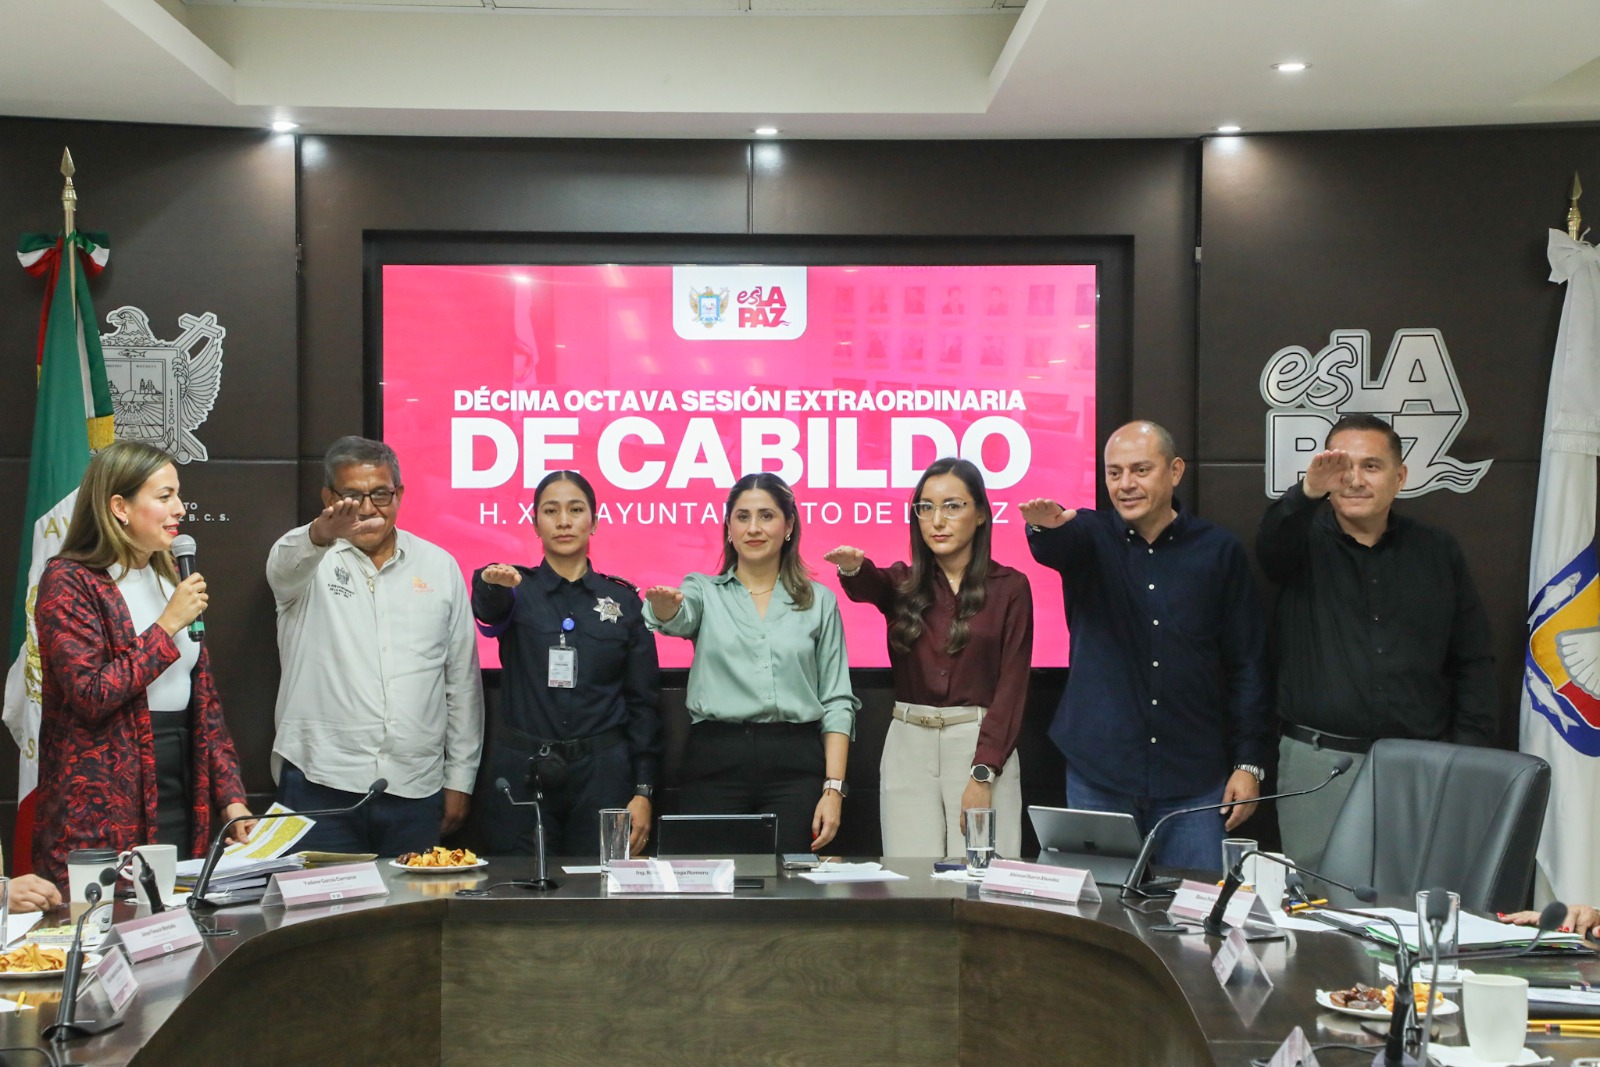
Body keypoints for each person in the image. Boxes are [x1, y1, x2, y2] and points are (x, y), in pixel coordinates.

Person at [1021, 420, 1272, 870]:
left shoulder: (1218, 551)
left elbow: (1248, 664)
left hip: (1193, 779)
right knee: (1096, 907)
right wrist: (1044, 529)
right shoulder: (1090, 535)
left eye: (1140, 470)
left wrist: (1249, 763)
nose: (1125, 484)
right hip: (1100, 774)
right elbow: (1056, 545)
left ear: (1175, 471)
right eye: (1114, 472)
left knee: (1195, 910)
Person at [1257, 413, 1496, 869]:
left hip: (1421, 765)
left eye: (1371, 466)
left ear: (1400, 476)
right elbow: (1270, 546)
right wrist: (1306, 493)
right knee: (1319, 901)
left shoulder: (1437, 551)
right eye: (1341, 467)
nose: (1354, 480)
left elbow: (1473, 660)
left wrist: (1467, 756)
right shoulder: (1298, 543)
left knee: (1417, 895)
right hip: (1320, 765)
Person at [32, 441, 253, 887]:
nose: (180, 509)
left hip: (179, 783)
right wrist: (166, 626)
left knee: (176, 910)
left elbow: (205, 703)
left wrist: (230, 796)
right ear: (120, 507)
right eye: (165, 496)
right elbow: (91, 694)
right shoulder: (70, 581)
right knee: (110, 919)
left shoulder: (170, 573)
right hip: (102, 800)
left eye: (178, 495)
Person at [268, 436, 483, 856]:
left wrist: (460, 779)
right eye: (352, 496)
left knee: (412, 901)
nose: (367, 509)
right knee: (320, 902)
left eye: (380, 494)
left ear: (399, 494)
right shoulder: (306, 559)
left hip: (415, 789)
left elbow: (461, 684)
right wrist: (321, 533)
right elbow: (283, 568)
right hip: (320, 784)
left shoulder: (439, 566)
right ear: (329, 498)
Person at [824, 458, 1032, 859]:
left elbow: (1012, 686)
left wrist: (983, 771)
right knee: (910, 877)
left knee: (981, 877)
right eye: (926, 507)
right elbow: (871, 584)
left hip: (979, 746)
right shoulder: (904, 583)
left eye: (952, 506)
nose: (937, 520)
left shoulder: (1010, 588)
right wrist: (853, 569)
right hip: (909, 743)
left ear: (981, 514)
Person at [643, 473, 858, 855]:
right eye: (742, 517)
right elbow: (679, 617)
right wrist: (664, 609)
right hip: (715, 760)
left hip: (796, 766)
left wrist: (833, 789)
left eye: (766, 516)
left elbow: (837, 701)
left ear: (788, 526)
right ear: (728, 528)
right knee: (709, 882)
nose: (753, 528)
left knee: (791, 884)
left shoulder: (820, 601)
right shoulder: (702, 590)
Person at [472, 470, 660, 859]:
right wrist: (490, 584)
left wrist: (643, 790)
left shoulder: (624, 602)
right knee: (521, 886)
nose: (563, 521)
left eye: (575, 510)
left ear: (595, 521)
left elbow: (643, 704)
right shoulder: (515, 588)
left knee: (598, 889)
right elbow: (488, 606)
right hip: (524, 770)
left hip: (602, 774)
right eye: (550, 511)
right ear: (534, 523)